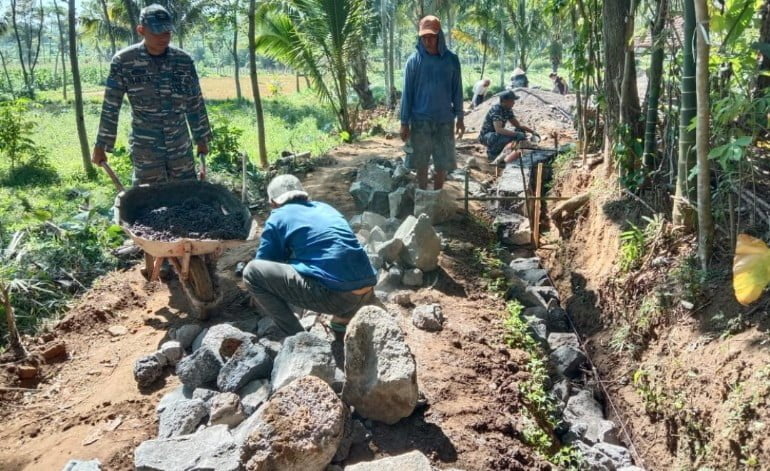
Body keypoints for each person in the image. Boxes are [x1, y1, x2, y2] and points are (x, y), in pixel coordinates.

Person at [91, 4, 212, 185]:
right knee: (148, 199)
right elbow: (111, 106)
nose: (164, 37)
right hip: (146, 149)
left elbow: (195, 102)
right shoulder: (124, 62)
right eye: (157, 32)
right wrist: (102, 145)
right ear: (141, 30)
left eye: (167, 32)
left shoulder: (183, 61)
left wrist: (201, 138)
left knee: (186, 195)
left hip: (179, 145)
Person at [243, 175, 377, 337]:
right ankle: (346, 317)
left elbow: (264, 262)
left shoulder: (278, 216)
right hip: (366, 289)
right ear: (304, 194)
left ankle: (298, 337)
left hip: (338, 297)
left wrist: (258, 294)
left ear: (273, 203)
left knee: (251, 272)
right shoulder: (325, 207)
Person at [400, 15, 464, 190]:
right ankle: (422, 192)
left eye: (431, 37)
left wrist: (460, 117)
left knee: (442, 162)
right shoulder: (414, 61)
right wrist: (404, 122)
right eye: (424, 37)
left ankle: (437, 195)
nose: (428, 41)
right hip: (420, 120)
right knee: (421, 161)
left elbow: (457, 90)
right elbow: (407, 94)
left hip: (444, 120)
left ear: (439, 36)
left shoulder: (451, 60)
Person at [478, 90, 536, 163]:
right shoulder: (497, 110)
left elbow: (518, 125)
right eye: (512, 101)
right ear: (505, 101)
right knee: (498, 136)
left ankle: (507, 152)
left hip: (496, 133)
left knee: (519, 130)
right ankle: (492, 155)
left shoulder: (507, 109)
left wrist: (533, 132)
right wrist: (516, 134)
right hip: (486, 136)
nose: (514, 102)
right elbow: (498, 129)